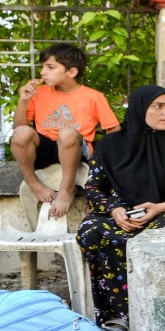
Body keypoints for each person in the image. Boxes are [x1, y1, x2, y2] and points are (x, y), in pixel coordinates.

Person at [76, 85, 165, 329]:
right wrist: (115, 210)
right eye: (158, 106)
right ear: (139, 109)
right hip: (121, 213)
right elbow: (94, 188)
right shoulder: (110, 146)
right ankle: (117, 317)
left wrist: (159, 208)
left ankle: (164, 313)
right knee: (92, 230)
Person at [12, 43, 120, 219]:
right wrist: (23, 101)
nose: (42, 72)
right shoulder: (38, 93)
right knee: (21, 133)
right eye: (43, 67)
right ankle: (33, 184)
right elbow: (19, 128)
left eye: (50, 67)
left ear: (71, 72)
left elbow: (114, 130)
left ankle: (67, 189)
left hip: (76, 150)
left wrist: (103, 159)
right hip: (46, 149)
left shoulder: (93, 97)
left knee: (67, 133)